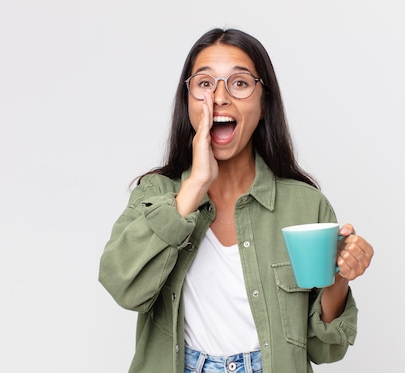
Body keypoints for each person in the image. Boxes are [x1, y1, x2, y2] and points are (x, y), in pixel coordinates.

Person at [99, 27, 374, 373]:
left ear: (264, 102)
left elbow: (322, 349)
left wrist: (341, 277)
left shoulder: (306, 206)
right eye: (204, 84)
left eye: (240, 83)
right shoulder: (156, 193)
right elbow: (122, 285)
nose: (220, 98)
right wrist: (195, 186)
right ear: (188, 102)